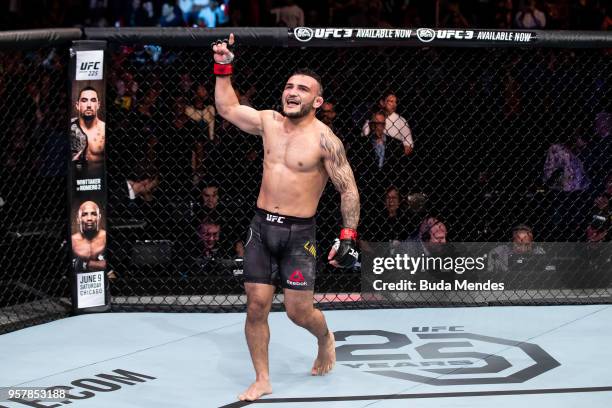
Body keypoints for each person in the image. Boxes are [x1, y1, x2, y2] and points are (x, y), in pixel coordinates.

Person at [212, 34, 360, 401]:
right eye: (289, 86)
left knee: (298, 312)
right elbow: (227, 108)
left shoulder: (327, 141)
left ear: (317, 100)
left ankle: (325, 337)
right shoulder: (269, 122)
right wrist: (223, 65)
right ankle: (262, 378)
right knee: (256, 305)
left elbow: (349, 189)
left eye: (303, 88)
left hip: (299, 234)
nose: (293, 92)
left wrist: (348, 235)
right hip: (261, 228)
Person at [71, 86, 105, 165]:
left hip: (98, 175)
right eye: (84, 100)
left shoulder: (104, 130)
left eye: (93, 100)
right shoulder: (70, 127)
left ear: (98, 105)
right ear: (77, 105)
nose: (89, 105)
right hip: (75, 175)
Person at [71, 201, 107, 273]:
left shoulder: (106, 237)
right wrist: (98, 264)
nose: (89, 218)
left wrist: (85, 264)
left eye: (94, 214)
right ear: (78, 219)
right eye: (84, 214)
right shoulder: (72, 240)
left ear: (99, 218)